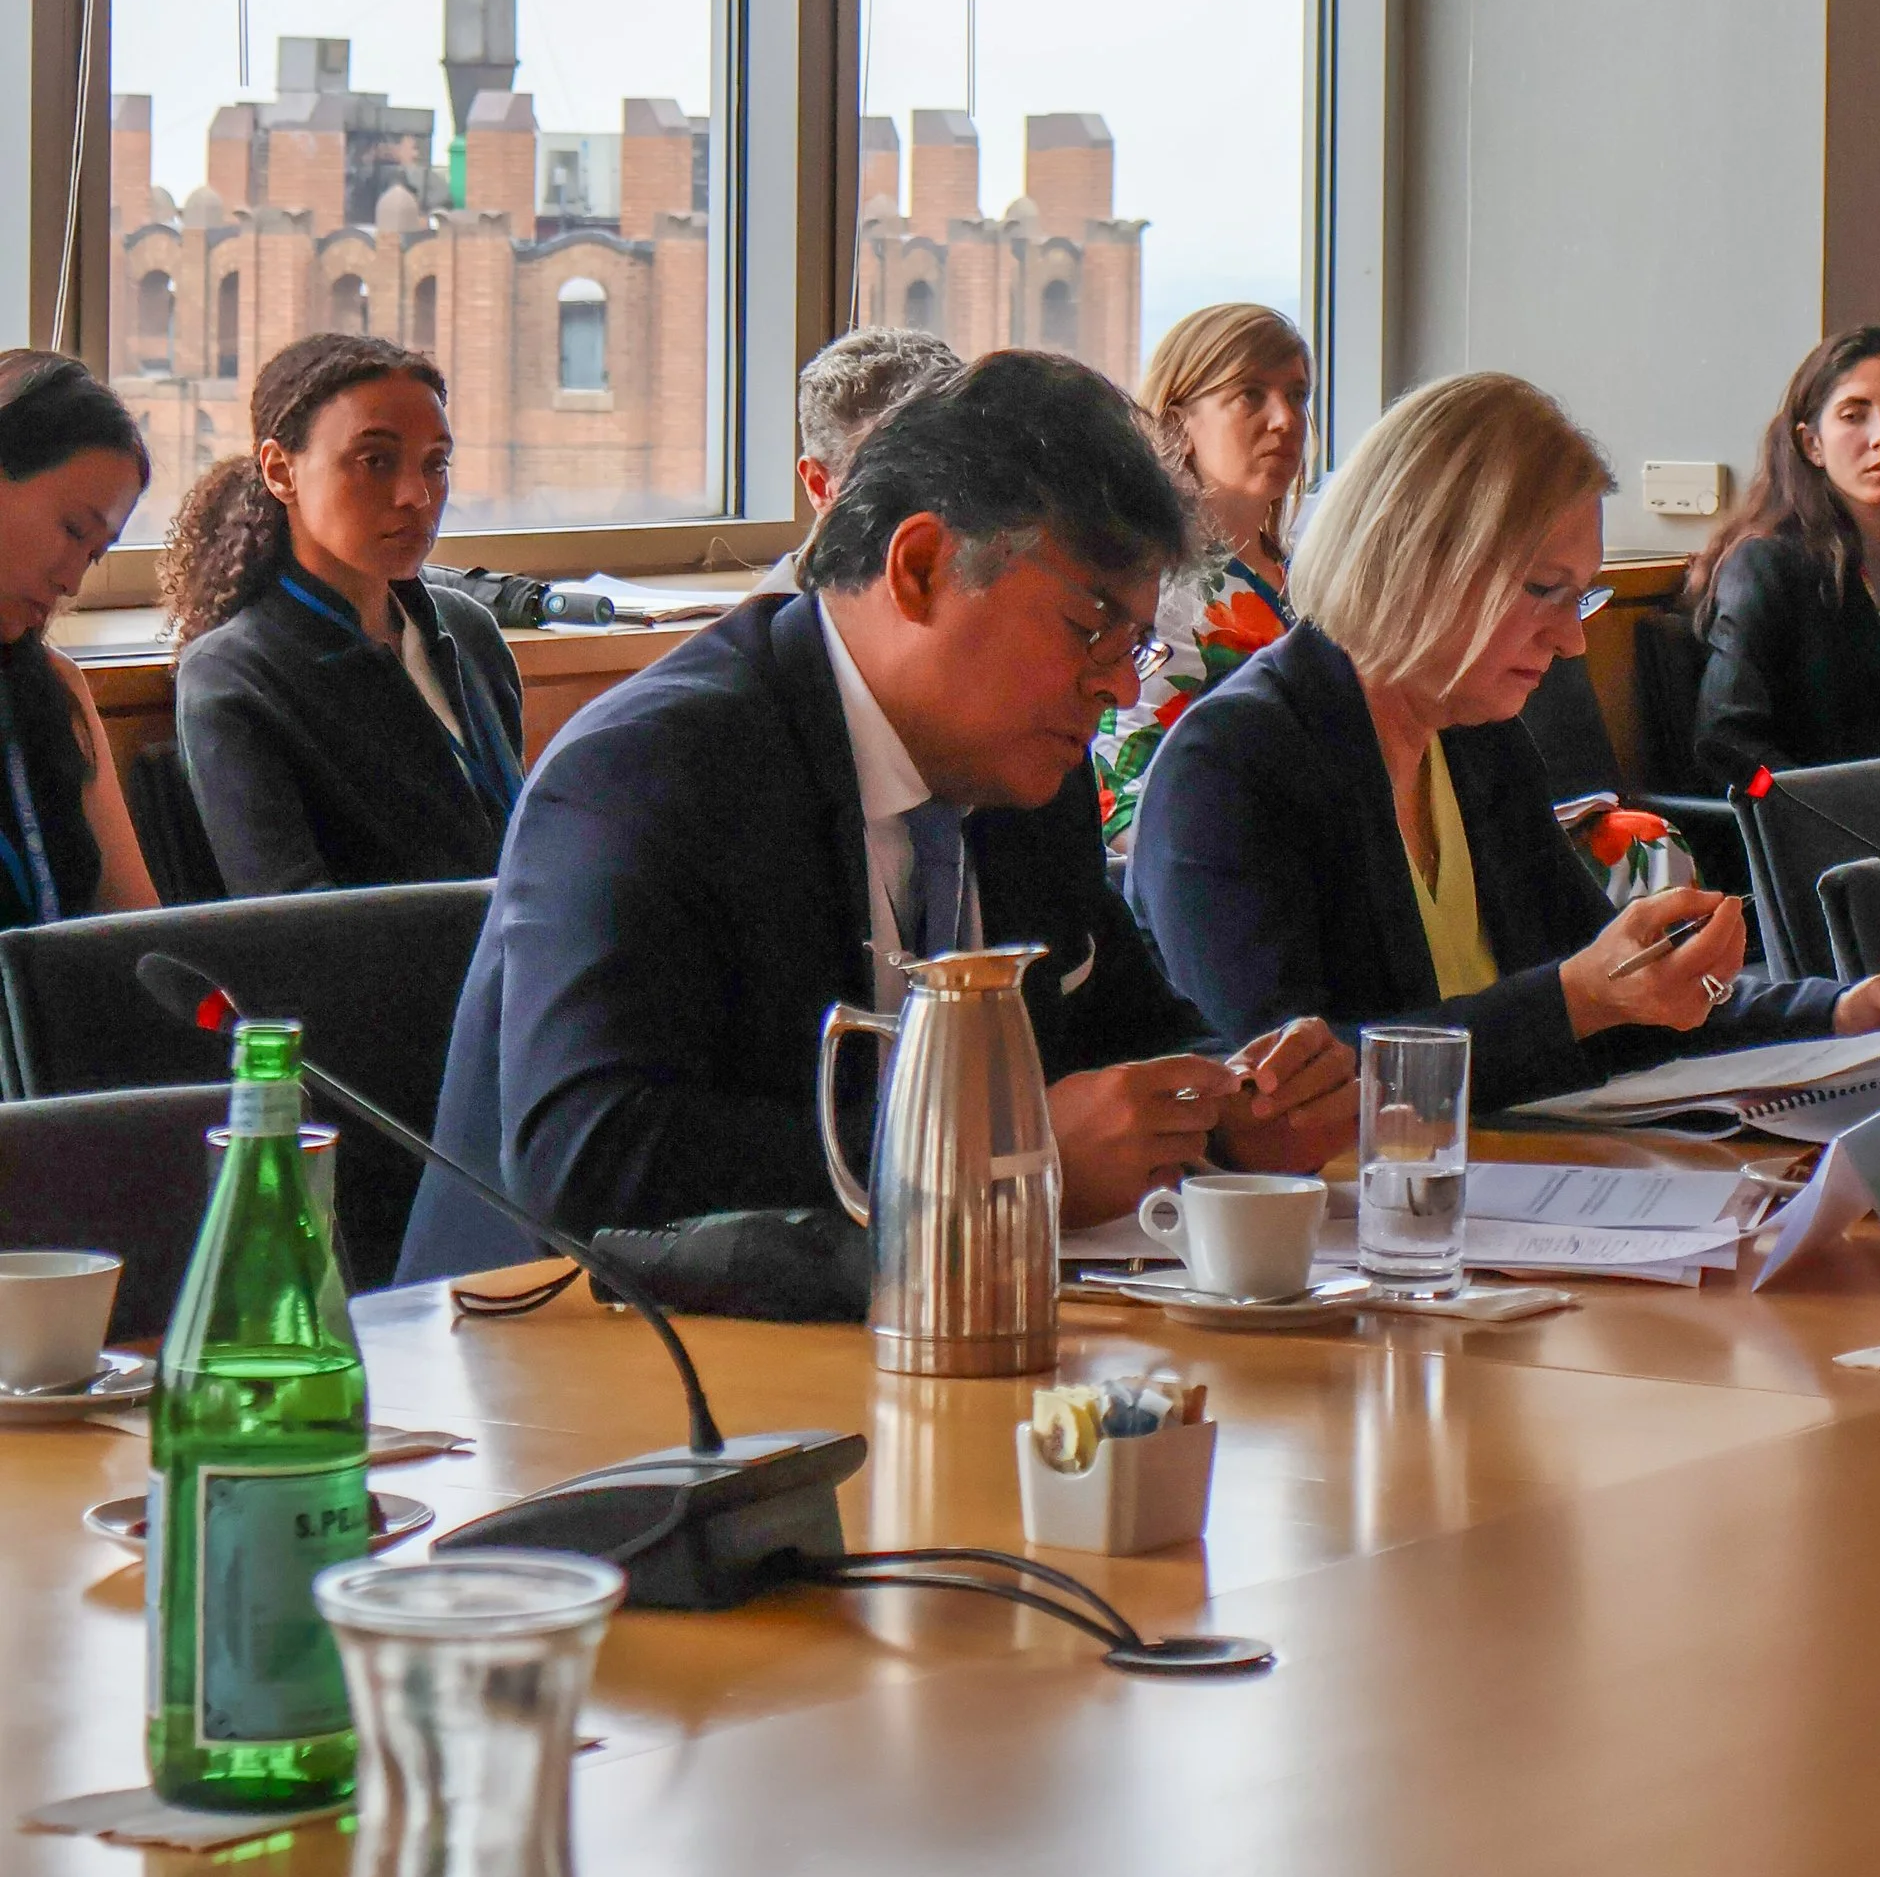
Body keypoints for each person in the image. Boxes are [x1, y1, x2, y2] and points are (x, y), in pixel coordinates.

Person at [401, 350, 1357, 1277]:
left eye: (1136, 646)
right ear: (921, 567)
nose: (1114, 686)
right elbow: (589, 1162)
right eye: (1091, 629)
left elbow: (1132, 1035)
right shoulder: (652, 770)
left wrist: (1236, 1098)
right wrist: (1000, 1155)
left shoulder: (1026, 770)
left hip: (911, 1338)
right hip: (572, 1372)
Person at [1131, 372, 1880, 1113]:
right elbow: (1279, 1093)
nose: (1572, 643)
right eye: (1545, 592)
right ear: (1418, 562)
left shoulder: (1478, 740)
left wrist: (1839, 1015)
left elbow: (1619, 1000)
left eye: (1583, 598)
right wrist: (1579, 1001)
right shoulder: (1234, 767)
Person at [165, 333, 525, 898]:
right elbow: (292, 918)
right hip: (386, 981)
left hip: (518, 966)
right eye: (374, 461)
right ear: (281, 472)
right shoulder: (233, 674)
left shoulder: (468, 630)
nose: (416, 496)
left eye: (435, 464)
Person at [1689, 328, 1880, 790]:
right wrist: (1823, 811)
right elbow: (1726, 743)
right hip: (1828, 843)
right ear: (1812, 444)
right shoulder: (1767, 566)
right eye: (1854, 415)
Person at [1095, 303, 1308, 862]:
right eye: (1250, 395)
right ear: (1175, 423)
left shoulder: (1309, 576)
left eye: (1298, 395)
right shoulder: (1156, 588)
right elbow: (1121, 798)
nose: (1286, 420)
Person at [0, 351, 155, 927]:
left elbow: (137, 938)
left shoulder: (55, 689)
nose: (71, 579)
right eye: (71, 530)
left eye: (94, 554)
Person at [760, 327, 968, 590]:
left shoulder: (1008, 594)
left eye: (945, 466)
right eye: (888, 482)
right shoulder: (759, 628)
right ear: (819, 486)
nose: (930, 504)